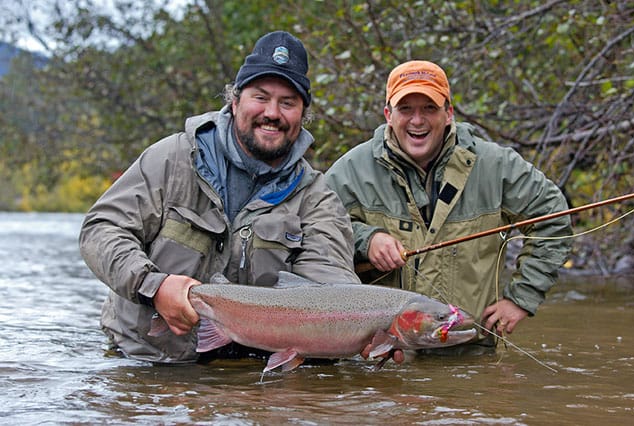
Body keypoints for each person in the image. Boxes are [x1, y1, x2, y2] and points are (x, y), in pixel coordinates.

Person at [79, 31, 360, 364]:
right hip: (143, 361)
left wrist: (362, 330)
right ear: (235, 100)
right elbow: (101, 229)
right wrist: (153, 285)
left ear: (303, 114)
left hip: (247, 374)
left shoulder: (315, 198)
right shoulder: (173, 159)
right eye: (261, 96)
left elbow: (330, 285)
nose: (272, 112)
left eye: (288, 103)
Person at [325, 60, 573, 353]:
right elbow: (315, 234)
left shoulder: (496, 165)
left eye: (429, 108)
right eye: (406, 110)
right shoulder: (351, 170)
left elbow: (554, 218)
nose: (418, 121)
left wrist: (520, 299)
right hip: (384, 356)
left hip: (471, 349)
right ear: (388, 115)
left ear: (448, 114)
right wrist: (367, 240)